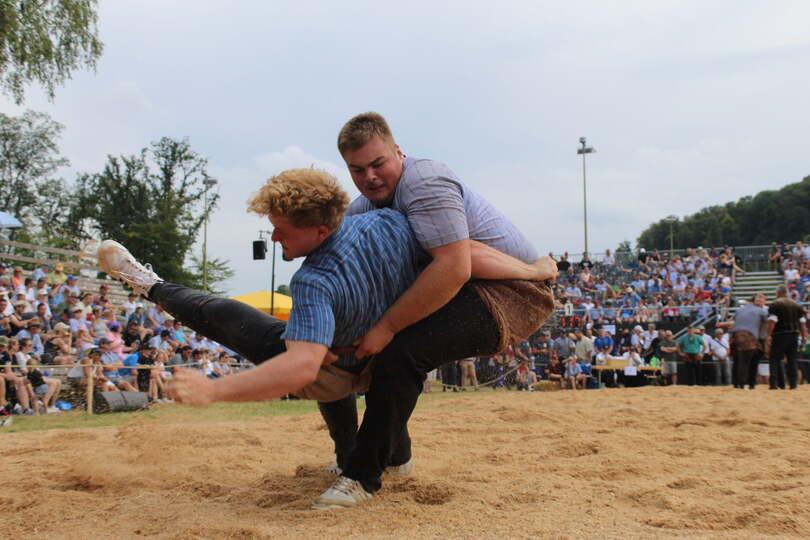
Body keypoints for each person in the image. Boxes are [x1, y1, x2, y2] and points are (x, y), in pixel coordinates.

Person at [97, 168, 553, 482]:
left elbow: (300, 367)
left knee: (259, 334)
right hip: (355, 346)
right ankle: (149, 282)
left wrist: (215, 390)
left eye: (281, 229)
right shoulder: (389, 220)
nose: (274, 237)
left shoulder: (314, 281)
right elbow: (463, 253)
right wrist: (532, 270)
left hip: (352, 356)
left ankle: (151, 283)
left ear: (318, 231)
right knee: (278, 333)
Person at [766, 286, 808, 390]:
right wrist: (803, 338)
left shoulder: (775, 305)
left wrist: (768, 335)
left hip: (779, 335)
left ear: (778, 293)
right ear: (786, 293)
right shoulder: (797, 305)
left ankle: (774, 384)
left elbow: (772, 321)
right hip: (794, 335)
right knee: (792, 360)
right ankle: (793, 385)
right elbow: (802, 324)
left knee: (774, 359)